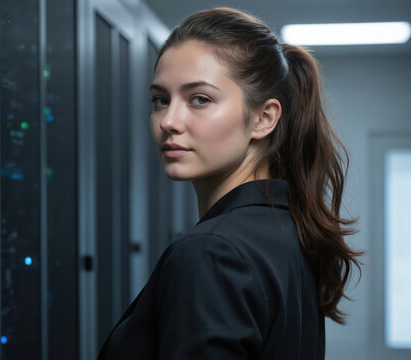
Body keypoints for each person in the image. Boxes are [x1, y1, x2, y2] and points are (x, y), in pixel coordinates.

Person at [98, 7, 362, 360]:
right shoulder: (289, 228)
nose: (169, 121)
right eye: (161, 100)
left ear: (263, 118)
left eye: (200, 99)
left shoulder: (212, 251)